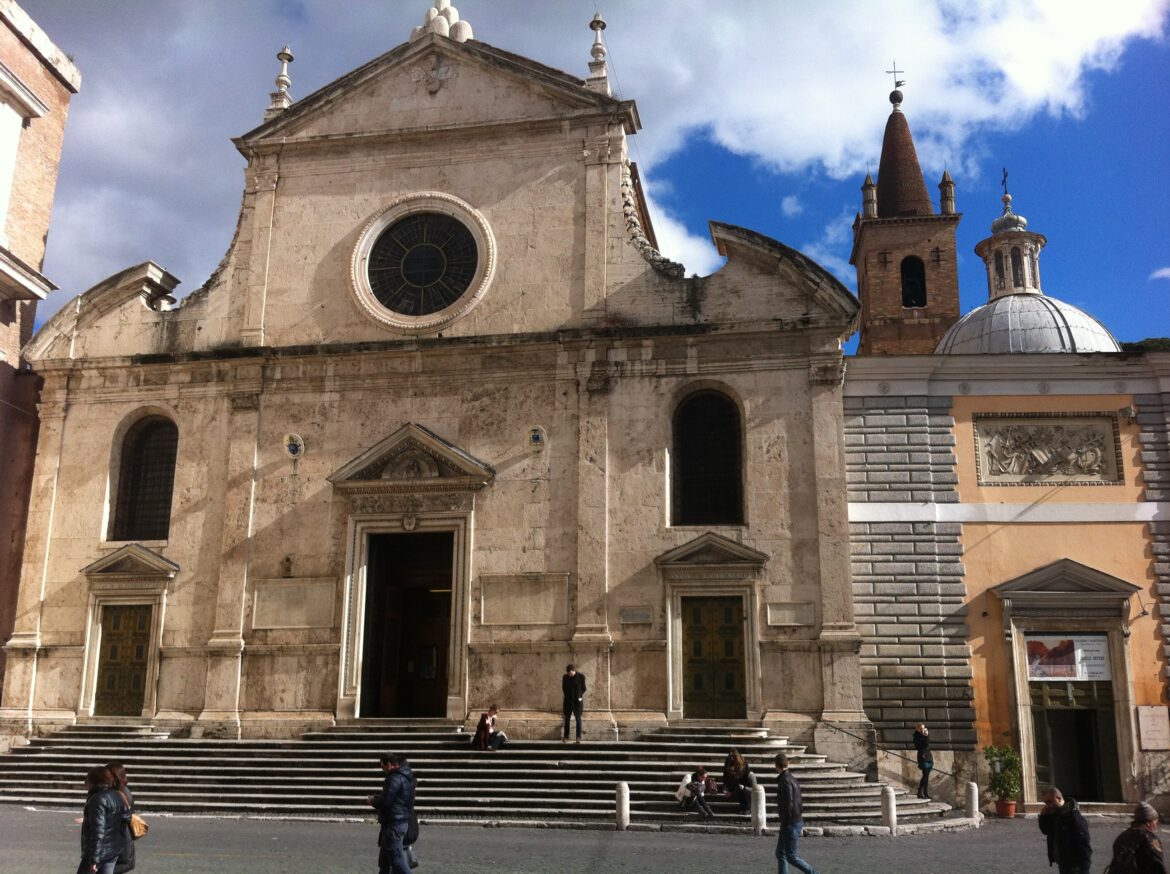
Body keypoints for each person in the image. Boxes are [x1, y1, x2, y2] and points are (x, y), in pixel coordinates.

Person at [368, 753, 416, 874]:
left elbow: (386, 802)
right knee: (385, 862)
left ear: (389, 765)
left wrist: (373, 800)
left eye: (383, 767)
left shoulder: (394, 778)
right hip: (397, 821)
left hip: (394, 823)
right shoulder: (406, 777)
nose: (383, 770)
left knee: (396, 860)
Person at [774, 753, 818, 874]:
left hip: (790, 822)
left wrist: (785, 819)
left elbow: (789, 802)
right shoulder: (792, 778)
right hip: (795, 820)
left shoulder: (784, 780)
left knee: (791, 856)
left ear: (776, 766)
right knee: (780, 853)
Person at [78, 765, 124, 874]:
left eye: (87, 780)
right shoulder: (115, 795)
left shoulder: (97, 800)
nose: (85, 784)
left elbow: (98, 831)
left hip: (100, 853)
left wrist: (94, 859)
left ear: (93, 782)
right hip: (112, 850)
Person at [1038, 786, 1092, 874]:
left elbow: (1085, 848)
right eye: (1045, 803)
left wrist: (1084, 870)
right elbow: (1045, 830)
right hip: (1063, 864)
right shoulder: (1055, 814)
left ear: (1058, 798)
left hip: (1075, 868)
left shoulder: (1074, 818)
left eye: (1049, 802)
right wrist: (1043, 817)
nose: (1047, 806)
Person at [1106, 801, 1165, 874]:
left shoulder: (1122, 836)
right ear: (1149, 822)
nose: (1156, 825)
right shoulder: (1149, 837)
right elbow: (1157, 865)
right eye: (1155, 821)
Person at [106, 762, 136, 874]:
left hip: (120, 839)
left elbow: (122, 816)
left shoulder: (120, 793)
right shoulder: (122, 790)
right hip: (121, 839)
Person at [721, 748, 756, 814]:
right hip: (735, 780)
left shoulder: (742, 763)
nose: (731, 757)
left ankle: (747, 808)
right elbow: (725, 775)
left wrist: (742, 786)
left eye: (733, 756)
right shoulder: (727, 762)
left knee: (743, 790)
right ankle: (743, 807)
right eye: (730, 756)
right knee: (738, 791)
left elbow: (746, 773)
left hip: (745, 780)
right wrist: (726, 788)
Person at [562, 664, 586, 743]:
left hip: (577, 701)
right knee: (567, 719)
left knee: (578, 719)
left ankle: (578, 737)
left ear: (573, 670)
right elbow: (564, 689)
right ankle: (566, 736)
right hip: (568, 701)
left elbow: (584, 688)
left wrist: (579, 696)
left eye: (571, 673)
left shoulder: (581, 677)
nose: (570, 675)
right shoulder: (565, 678)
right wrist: (568, 696)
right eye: (569, 674)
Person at [912, 723, 933, 799]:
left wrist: (926, 736)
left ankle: (924, 792)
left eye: (923, 728)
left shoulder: (924, 735)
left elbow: (927, 743)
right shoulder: (916, 736)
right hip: (922, 755)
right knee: (925, 774)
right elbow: (919, 746)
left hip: (928, 755)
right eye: (920, 728)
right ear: (917, 729)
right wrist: (924, 736)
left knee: (926, 775)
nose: (922, 730)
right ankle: (921, 792)